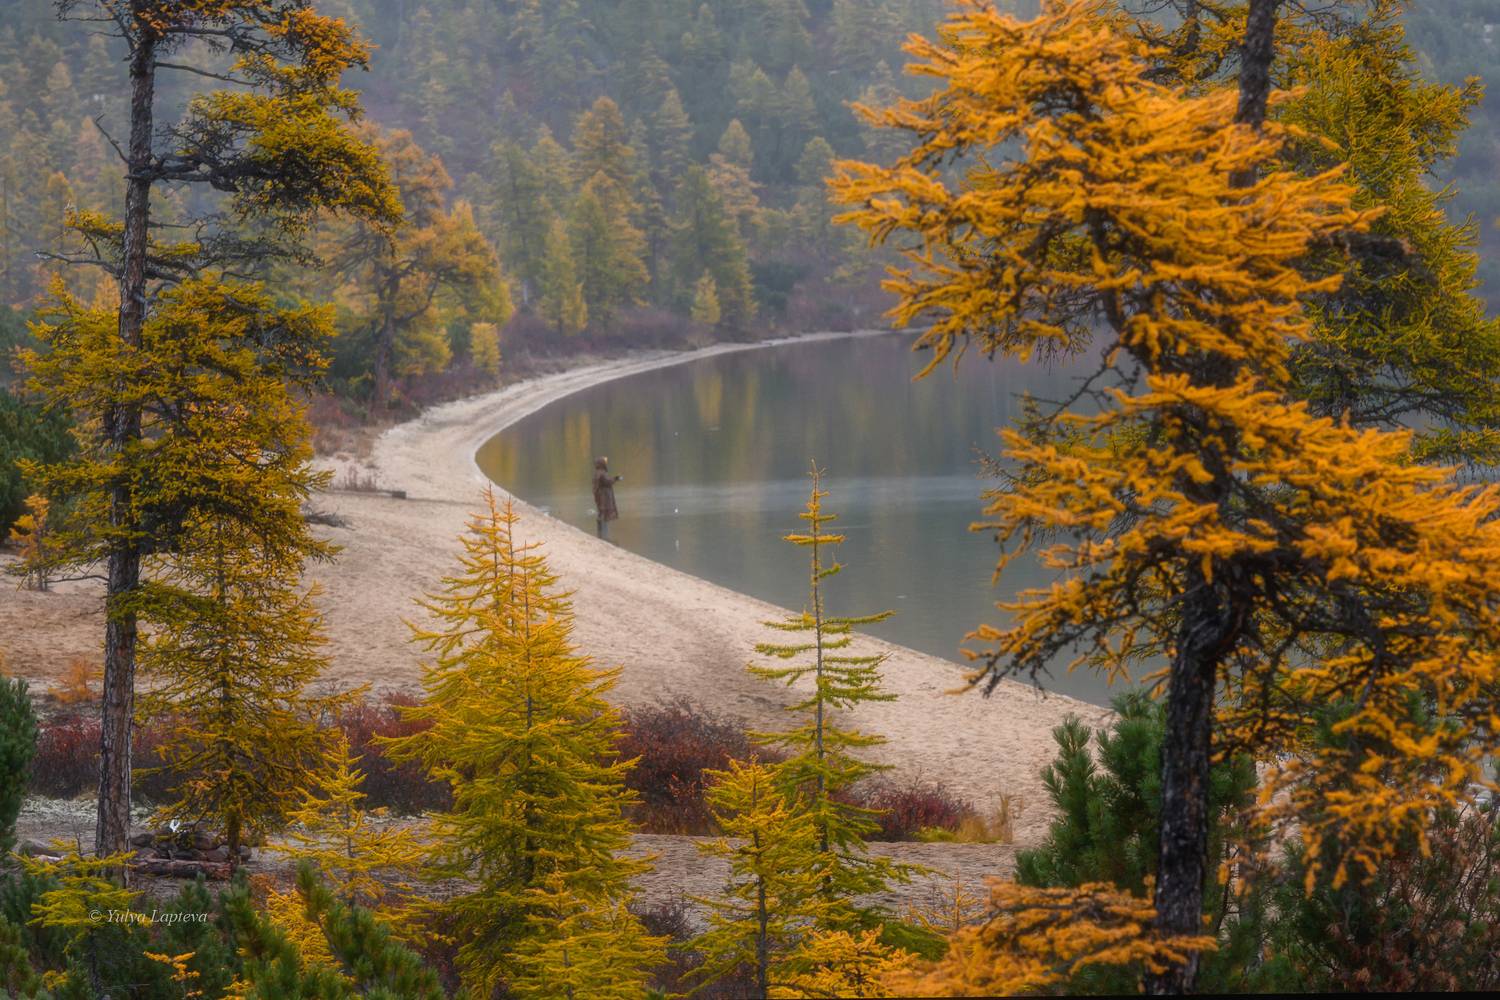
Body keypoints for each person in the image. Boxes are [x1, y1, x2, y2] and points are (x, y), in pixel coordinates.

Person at [592, 456, 622, 538]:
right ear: (602, 464)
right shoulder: (602, 473)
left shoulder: (597, 473)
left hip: (599, 495)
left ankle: (600, 535)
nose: (606, 463)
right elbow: (608, 482)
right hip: (604, 496)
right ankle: (603, 536)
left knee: (601, 511)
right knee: (604, 513)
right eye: (605, 462)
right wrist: (616, 478)